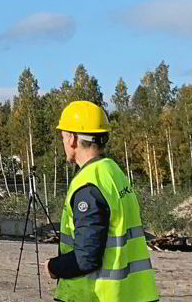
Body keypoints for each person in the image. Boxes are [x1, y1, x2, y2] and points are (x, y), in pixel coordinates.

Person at [47, 101, 159, 302]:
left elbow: (86, 258)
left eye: (63, 136)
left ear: (72, 139)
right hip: (131, 294)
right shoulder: (113, 172)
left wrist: (53, 267)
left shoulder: (87, 185)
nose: (63, 142)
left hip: (95, 295)